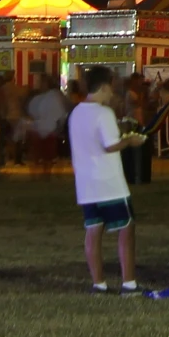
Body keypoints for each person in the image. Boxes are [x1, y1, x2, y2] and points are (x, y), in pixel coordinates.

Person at [68, 66, 148, 294]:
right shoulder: (103, 113)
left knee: (93, 231)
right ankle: (129, 283)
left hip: (85, 184)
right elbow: (111, 144)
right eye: (111, 87)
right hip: (109, 184)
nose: (113, 92)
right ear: (104, 86)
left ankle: (99, 283)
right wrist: (131, 141)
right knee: (126, 229)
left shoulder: (76, 113)